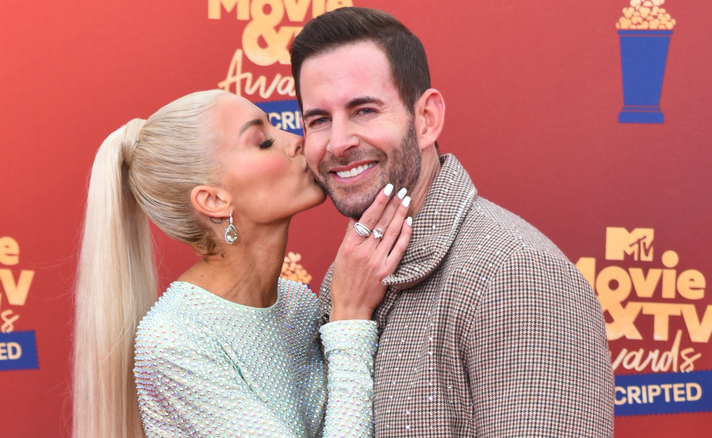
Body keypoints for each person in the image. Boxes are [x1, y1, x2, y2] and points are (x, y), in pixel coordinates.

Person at [290, 7, 615, 437]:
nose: (339, 142)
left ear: (426, 119)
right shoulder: (346, 279)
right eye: (319, 120)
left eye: (364, 110)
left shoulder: (516, 274)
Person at [72, 89, 414, 437]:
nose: (298, 141)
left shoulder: (298, 306)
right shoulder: (176, 341)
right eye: (263, 142)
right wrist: (350, 320)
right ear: (214, 200)